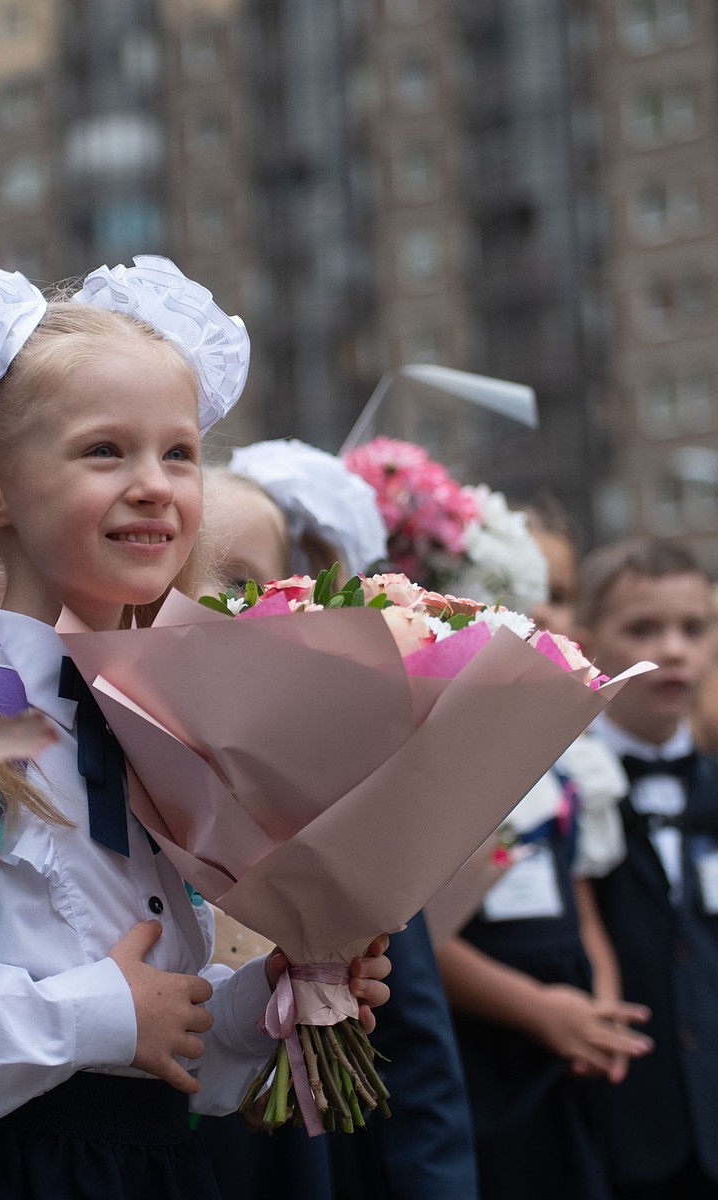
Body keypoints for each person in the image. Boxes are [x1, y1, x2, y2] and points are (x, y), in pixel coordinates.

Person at [0, 246, 391, 1200]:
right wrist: (97, 1019)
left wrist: (275, 999)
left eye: (179, 452)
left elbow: (179, 1054)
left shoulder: (163, 719)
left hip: (156, 1165)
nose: (154, 484)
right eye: (104, 450)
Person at [201, 441, 477, 1200]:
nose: (208, 604)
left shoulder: (343, 780)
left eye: (240, 584)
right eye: (188, 578)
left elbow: (415, 1048)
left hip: (306, 1163)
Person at [435, 509, 651, 1200]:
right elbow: (421, 938)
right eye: (520, 590)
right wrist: (538, 1010)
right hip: (492, 1043)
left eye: (556, 592)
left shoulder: (572, 770)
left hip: (570, 1046)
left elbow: (585, 911)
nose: (540, 610)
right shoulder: (443, 766)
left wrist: (601, 1010)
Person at [577, 539, 718, 1199]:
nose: (675, 648)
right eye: (643, 628)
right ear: (587, 641)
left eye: (694, 628)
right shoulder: (558, 790)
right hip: (615, 1129)